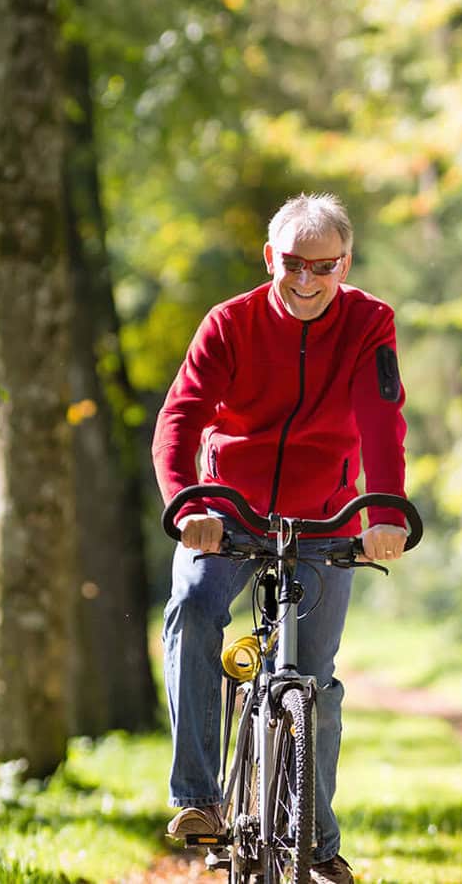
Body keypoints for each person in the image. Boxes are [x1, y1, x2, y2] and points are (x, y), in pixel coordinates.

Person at [152, 193, 410, 884]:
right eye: (292, 263)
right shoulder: (229, 323)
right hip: (226, 509)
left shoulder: (367, 321)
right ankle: (198, 796)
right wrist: (185, 506)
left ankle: (315, 842)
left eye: (322, 267)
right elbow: (181, 419)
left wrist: (384, 509)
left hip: (324, 515)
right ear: (271, 257)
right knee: (195, 606)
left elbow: (381, 417)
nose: (305, 280)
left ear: (345, 264)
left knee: (313, 682)